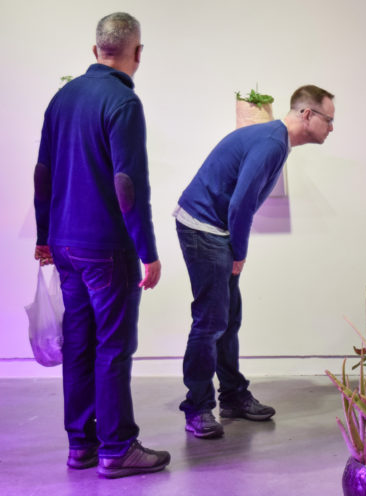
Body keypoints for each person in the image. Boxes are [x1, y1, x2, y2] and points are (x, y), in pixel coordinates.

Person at [33, 12, 170, 479]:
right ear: (137, 53)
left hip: (65, 243)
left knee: (79, 342)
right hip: (106, 247)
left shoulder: (62, 98)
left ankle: (81, 446)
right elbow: (128, 184)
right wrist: (147, 250)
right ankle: (117, 448)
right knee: (113, 345)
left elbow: (42, 174)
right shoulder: (123, 102)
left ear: (96, 52)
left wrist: (42, 236)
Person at [174, 85, 335, 438]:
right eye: (329, 119)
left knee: (229, 317)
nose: (332, 127)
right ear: (307, 114)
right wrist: (240, 252)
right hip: (202, 227)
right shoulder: (271, 143)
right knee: (210, 322)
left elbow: (240, 201)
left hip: (216, 229)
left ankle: (232, 395)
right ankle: (197, 408)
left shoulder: (277, 141)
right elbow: (240, 204)